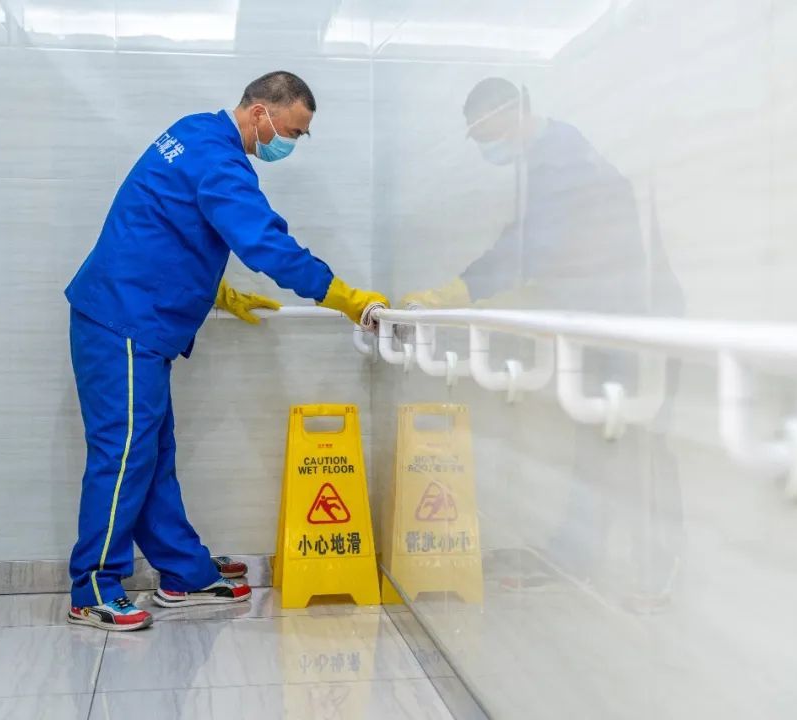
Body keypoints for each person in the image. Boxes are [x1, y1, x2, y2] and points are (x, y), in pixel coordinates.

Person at [64, 71, 388, 631]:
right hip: (124, 319)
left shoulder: (195, 131)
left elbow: (164, 223)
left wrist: (218, 292)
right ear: (260, 112)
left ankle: (183, 572)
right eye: (292, 131)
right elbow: (265, 244)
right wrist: (346, 298)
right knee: (123, 455)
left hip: (129, 315)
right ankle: (92, 588)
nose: (291, 143)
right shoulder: (220, 161)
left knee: (149, 454)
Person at [402, 77, 684, 610]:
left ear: (510, 113)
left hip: (637, 319)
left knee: (643, 443)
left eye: (482, 131)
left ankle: (656, 569)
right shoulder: (548, 158)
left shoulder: (564, 160)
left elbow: (531, 246)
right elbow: (544, 246)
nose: (482, 145)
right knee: (595, 436)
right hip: (602, 319)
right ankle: (575, 556)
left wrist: (458, 291)